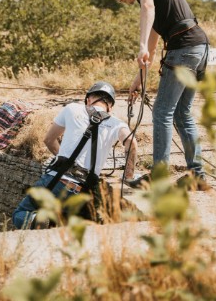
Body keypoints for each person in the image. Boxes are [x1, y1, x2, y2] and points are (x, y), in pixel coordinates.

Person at [105, 0, 210, 190]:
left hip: (183, 48)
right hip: (198, 47)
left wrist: (140, 45)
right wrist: (139, 78)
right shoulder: (157, 3)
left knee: (163, 111)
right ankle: (198, 176)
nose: (119, 0)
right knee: (182, 114)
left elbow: (147, 6)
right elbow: (151, 49)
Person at [12, 81, 140, 229]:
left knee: (20, 214)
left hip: (57, 180)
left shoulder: (72, 109)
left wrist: (65, 162)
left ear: (88, 100)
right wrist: (128, 176)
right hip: (84, 191)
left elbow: (49, 140)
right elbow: (131, 142)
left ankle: (37, 220)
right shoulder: (117, 123)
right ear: (110, 106)